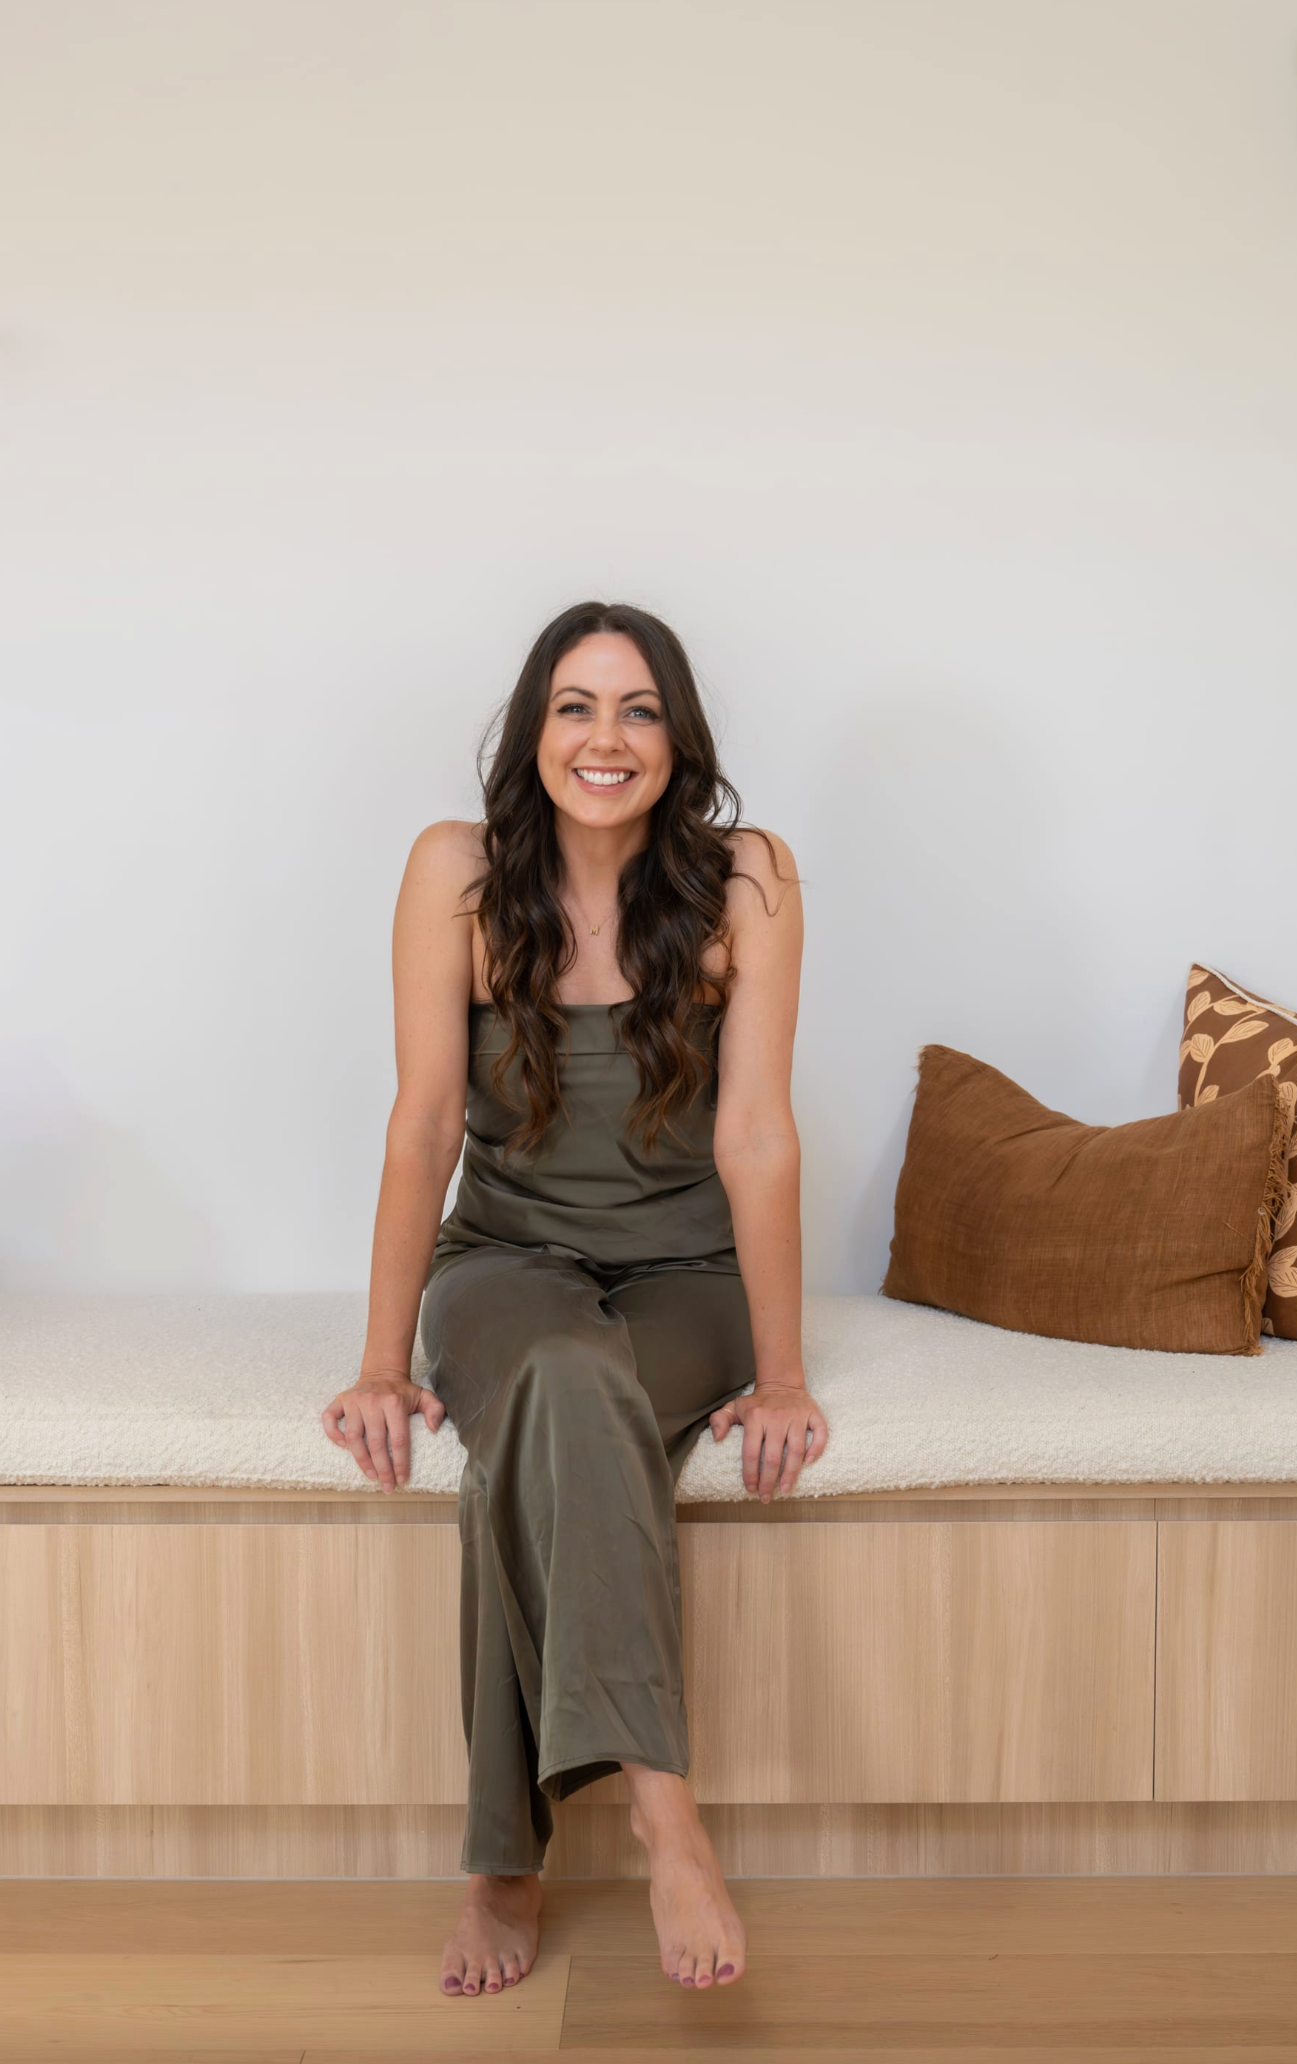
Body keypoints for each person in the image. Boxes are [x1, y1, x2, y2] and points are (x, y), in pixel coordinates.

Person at [320, 599, 828, 1999]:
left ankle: (504, 1862)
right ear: (535, 732)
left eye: (640, 709)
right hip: (507, 1264)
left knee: (535, 1442)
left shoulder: (749, 880)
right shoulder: (457, 874)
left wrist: (782, 1378)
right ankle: (669, 1818)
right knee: (555, 1375)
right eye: (577, 707)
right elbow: (426, 1123)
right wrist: (380, 1361)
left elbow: (757, 1137)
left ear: (679, 737)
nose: (608, 739)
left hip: (688, 1276)